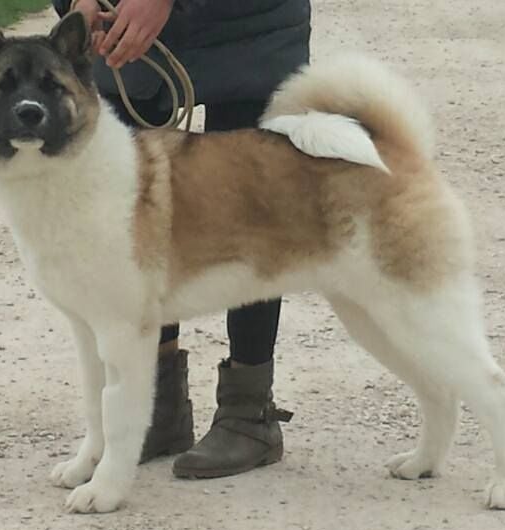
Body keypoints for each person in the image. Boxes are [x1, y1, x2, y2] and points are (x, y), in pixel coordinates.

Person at [51, 0, 311, 479]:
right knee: (130, 213)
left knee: (249, 208)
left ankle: (249, 412)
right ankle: (154, 408)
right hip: (128, 36)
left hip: (250, 28)